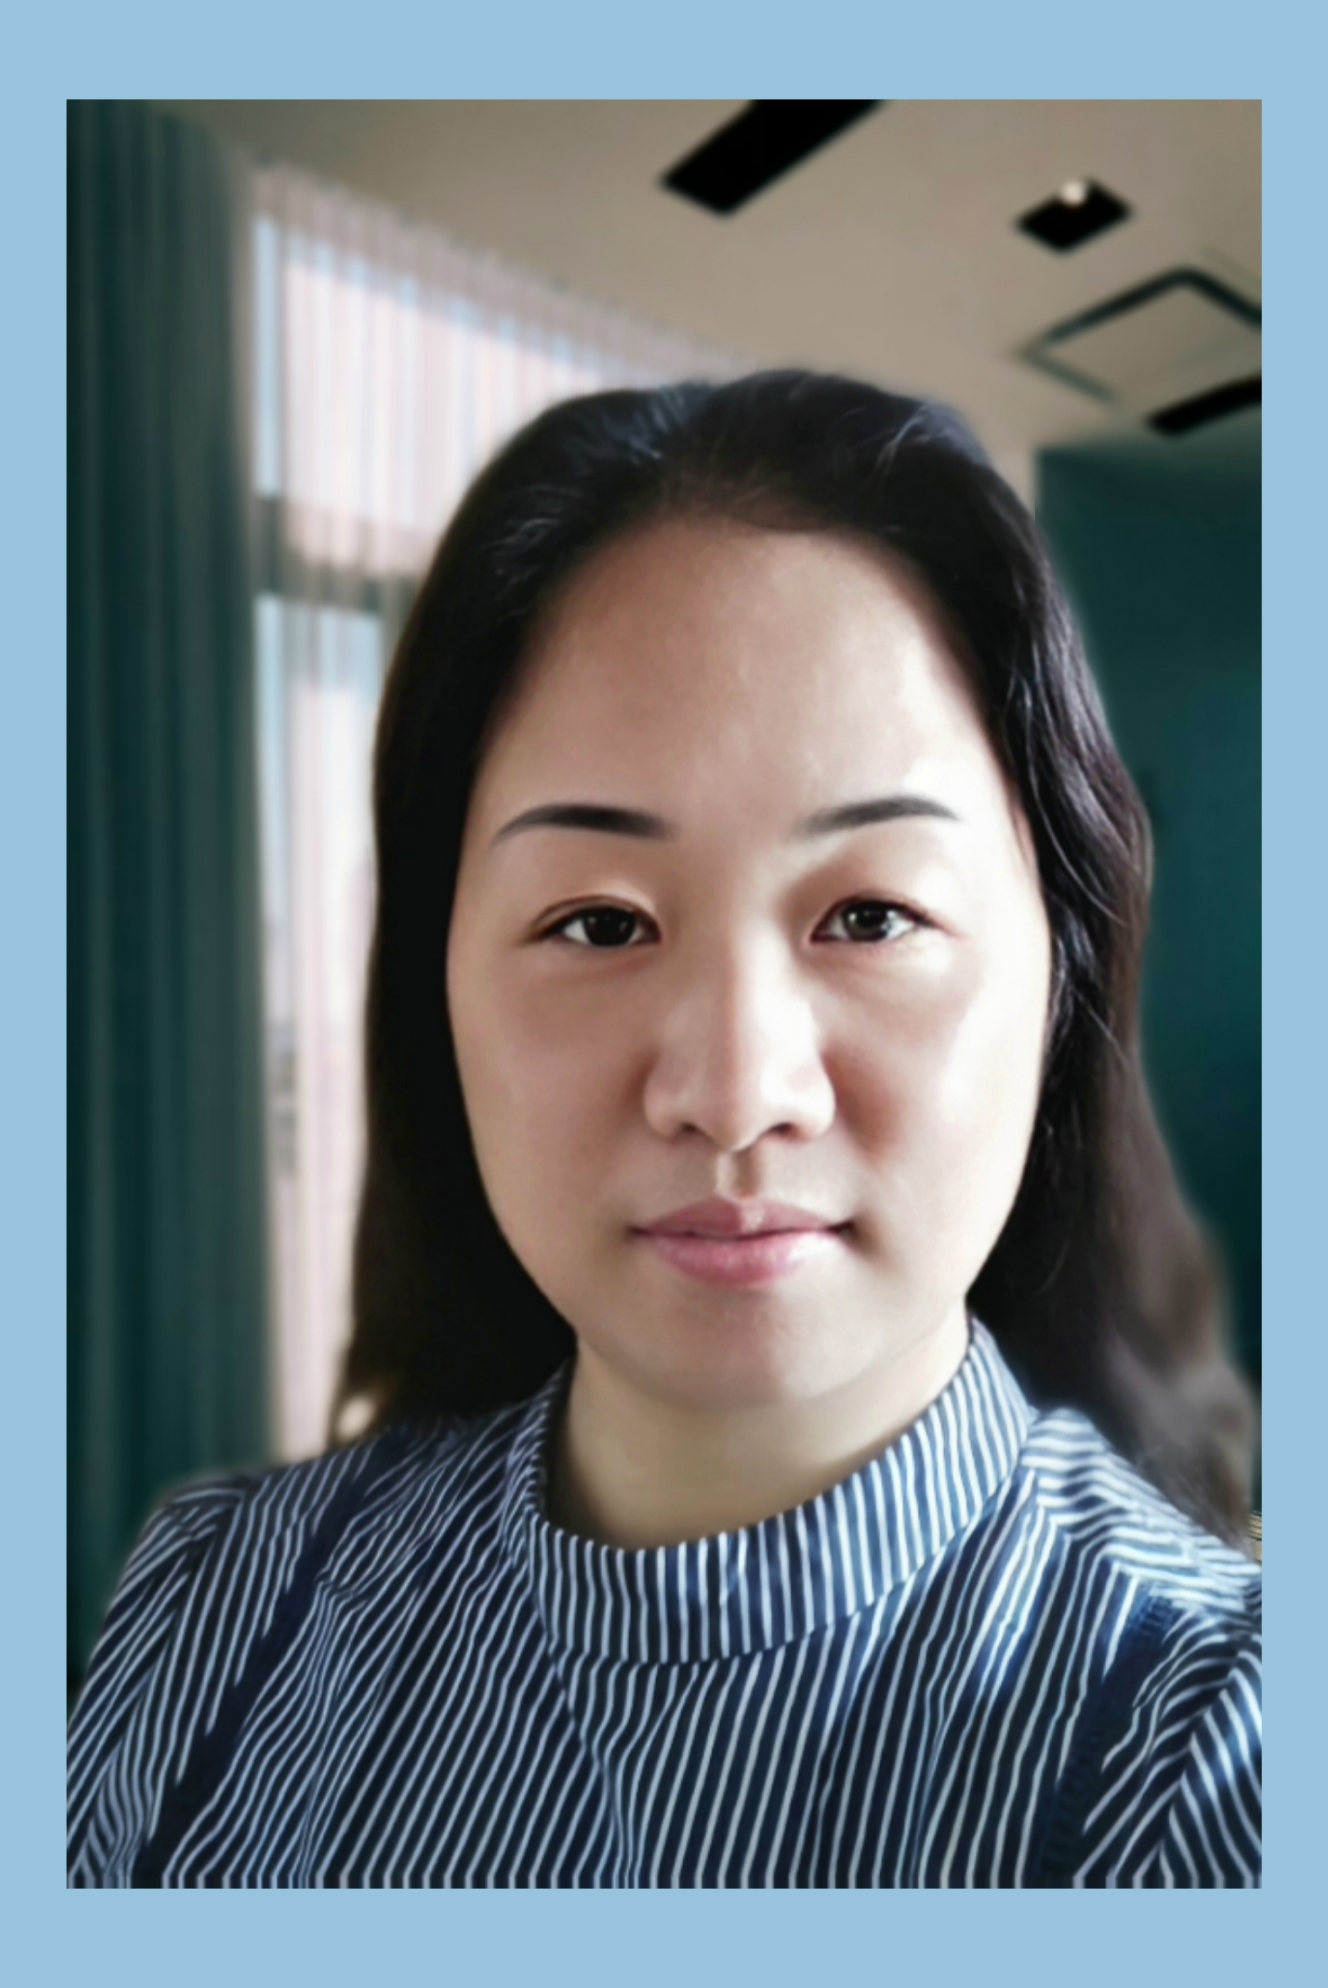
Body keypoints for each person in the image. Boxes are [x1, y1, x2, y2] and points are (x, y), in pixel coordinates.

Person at [67, 372, 1261, 1888]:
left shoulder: (1215, 1755)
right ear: (440, 982)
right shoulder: (219, 1611)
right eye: (599, 921)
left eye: (870, 915)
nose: (736, 1089)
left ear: (1059, 974)